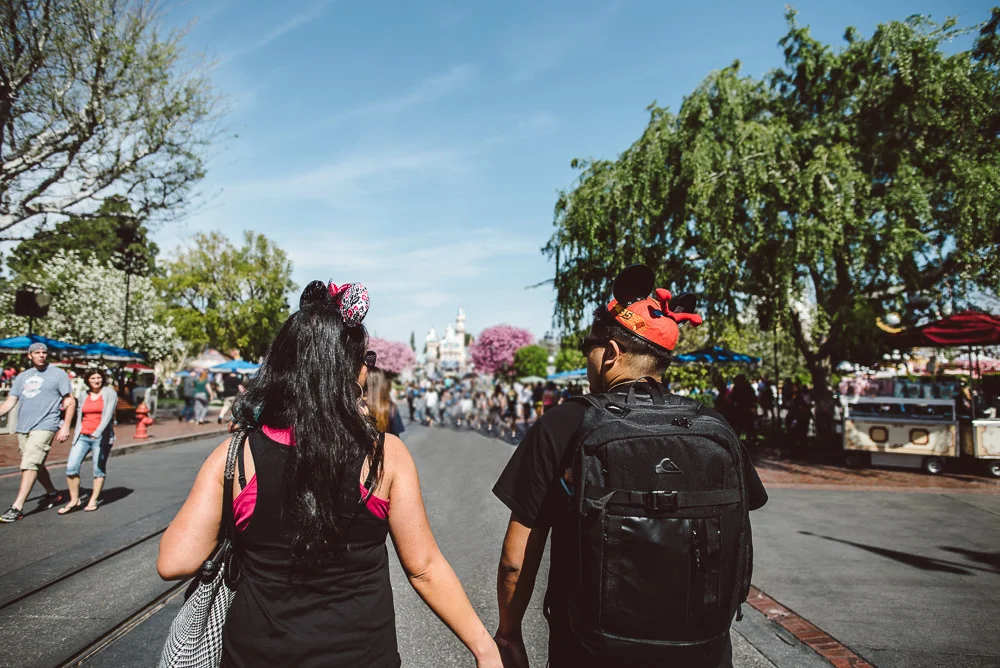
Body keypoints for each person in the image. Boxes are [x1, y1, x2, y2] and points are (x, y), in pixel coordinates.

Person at [158, 280, 502, 667]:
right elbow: (424, 568)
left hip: (255, 655)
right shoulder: (384, 456)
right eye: (366, 358)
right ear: (349, 368)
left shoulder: (236, 455)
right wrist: (484, 647)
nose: (368, 368)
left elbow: (175, 561)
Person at [491, 266, 767, 667]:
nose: (586, 356)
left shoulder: (564, 423)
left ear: (611, 353)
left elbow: (515, 562)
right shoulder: (713, 425)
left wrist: (508, 633)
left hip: (590, 653)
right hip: (702, 652)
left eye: (588, 346)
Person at [0, 342, 74, 522]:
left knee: (30, 463)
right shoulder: (22, 377)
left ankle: (17, 507)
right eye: (37, 352)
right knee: (35, 463)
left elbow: (70, 401)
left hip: (46, 424)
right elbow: (10, 401)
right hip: (24, 426)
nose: (41, 355)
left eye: (44, 352)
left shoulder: (58, 374)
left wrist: (65, 426)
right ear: (30, 355)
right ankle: (52, 492)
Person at [59, 368, 118, 514]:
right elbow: (80, 415)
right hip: (83, 436)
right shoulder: (83, 394)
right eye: (93, 378)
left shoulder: (110, 393)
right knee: (71, 468)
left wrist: (97, 432)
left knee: (98, 469)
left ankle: (93, 500)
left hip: (101, 437)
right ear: (88, 380)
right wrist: (75, 434)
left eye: (99, 377)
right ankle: (74, 500)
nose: (96, 381)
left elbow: (108, 415)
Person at [366, 367, 405, 437]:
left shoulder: (359, 405)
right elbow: (396, 437)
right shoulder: (390, 407)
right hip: (385, 443)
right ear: (382, 383)